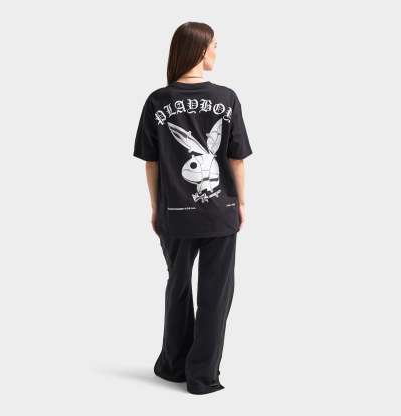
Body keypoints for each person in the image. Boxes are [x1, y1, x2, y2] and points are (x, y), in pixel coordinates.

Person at [133, 21, 253, 395]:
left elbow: (151, 163)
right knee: (216, 294)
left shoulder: (158, 100)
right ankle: (202, 377)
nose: (216, 51)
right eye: (214, 45)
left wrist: (156, 207)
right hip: (220, 212)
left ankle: (173, 365)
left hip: (175, 213)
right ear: (201, 50)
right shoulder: (226, 98)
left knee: (178, 287)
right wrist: (241, 202)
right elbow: (236, 158)